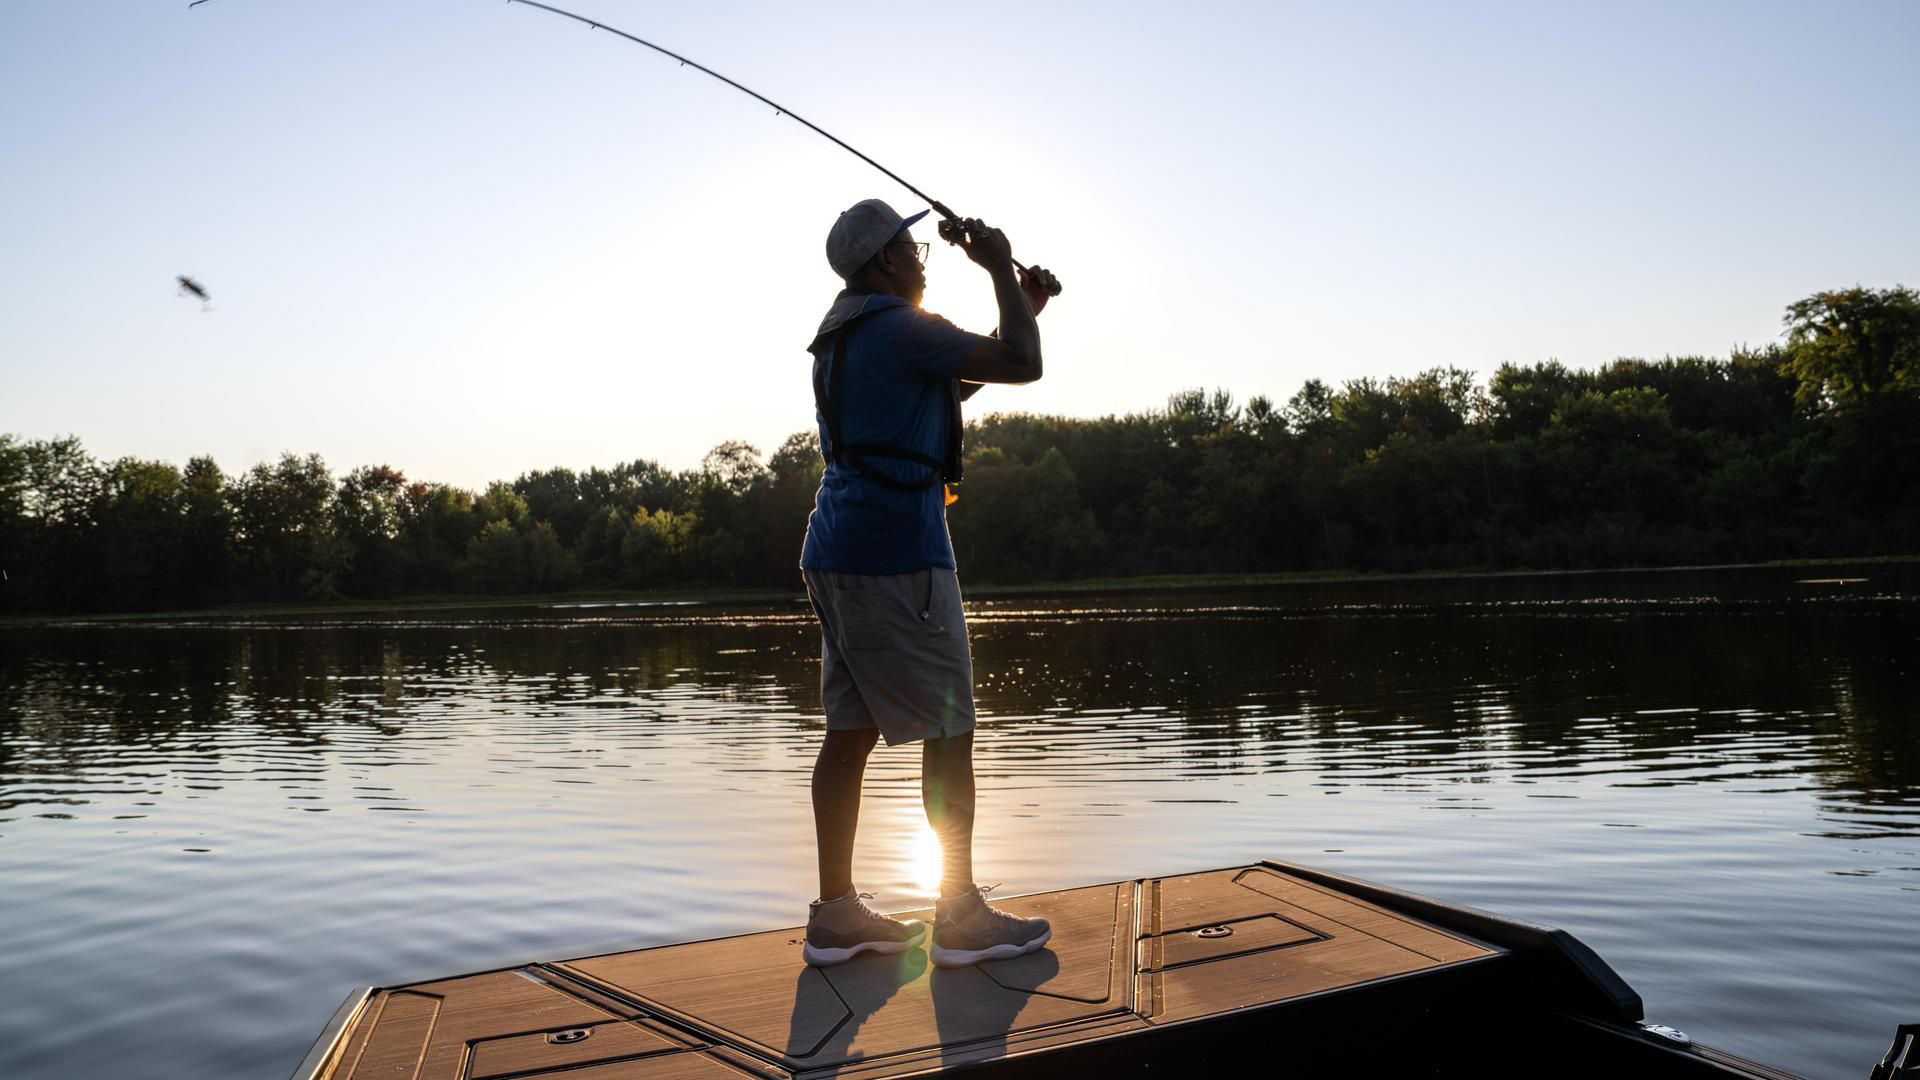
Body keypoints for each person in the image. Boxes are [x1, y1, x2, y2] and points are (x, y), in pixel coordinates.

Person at [798, 198, 1060, 969]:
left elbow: (940, 393)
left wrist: (1025, 301)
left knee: (849, 732)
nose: (922, 257)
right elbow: (1023, 363)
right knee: (950, 730)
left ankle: (836, 915)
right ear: (884, 261)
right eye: (913, 249)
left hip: (835, 549)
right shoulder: (904, 327)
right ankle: (961, 918)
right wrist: (999, 268)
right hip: (897, 555)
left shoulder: (844, 337)